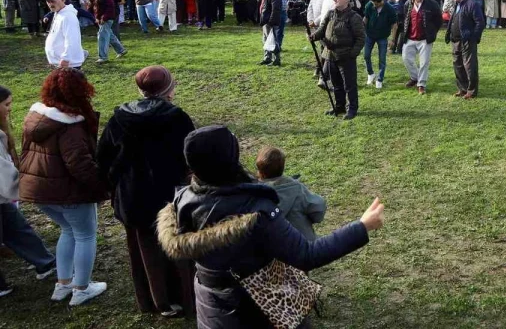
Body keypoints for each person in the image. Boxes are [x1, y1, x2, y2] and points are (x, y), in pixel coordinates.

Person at [156, 125, 384, 329]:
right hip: (252, 309)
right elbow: (307, 254)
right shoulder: (255, 213)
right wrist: (362, 226)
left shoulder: (183, 198)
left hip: (211, 304)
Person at [95, 66, 196, 317]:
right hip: (168, 196)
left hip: (133, 196)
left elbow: (104, 158)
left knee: (147, 248)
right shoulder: (176, 118)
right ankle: (179, 300)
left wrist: (115, 185)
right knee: (175, 246)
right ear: (168, 90)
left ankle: (158, 300)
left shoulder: (119, 118)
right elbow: (190, 156)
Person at [18, 69, 109, 305]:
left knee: (68, 231)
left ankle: (63, 284)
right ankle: (81, 289)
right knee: (85, 235)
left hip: (39, 191)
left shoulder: (36, 118)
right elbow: (79, 164)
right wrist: (102, 187)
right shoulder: (70, 126)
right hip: (67, 192)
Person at [0, 85, 58, 297]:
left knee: (16, 227)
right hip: (2, 191)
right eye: (6, 105)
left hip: (1, 198)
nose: (10, 109)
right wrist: (31, 186)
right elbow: (4, 175)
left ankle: (44, 262)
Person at [311, 0, 365, 119]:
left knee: (349, 85)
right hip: (330, 55)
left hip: (346, 56)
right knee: (336, 84)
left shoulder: (354, 17)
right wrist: (313, 36)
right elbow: (321, 30)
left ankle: (352, 108)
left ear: (346, 0)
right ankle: (339, 106)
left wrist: (353, 53)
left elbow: (361, 38)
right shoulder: (330, 14)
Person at [255, 146, 327, 241]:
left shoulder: (252, 193)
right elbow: (318, 210)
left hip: (270, 251)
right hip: (302, 246)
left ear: (259, 168)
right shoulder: (296, 188)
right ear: (282, 166)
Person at [398, 0, 443, 95]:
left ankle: (421, 84)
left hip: (425, 39)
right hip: (410, 38)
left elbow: (438, 20)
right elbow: (405, 20)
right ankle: (415, 77)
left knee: (424, 63)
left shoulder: (432, 4)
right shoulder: (408, 4)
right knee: (406, 58)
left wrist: (432, 32)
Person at [445, 0, 485, 99]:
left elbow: (480, 23)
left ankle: (471, 91)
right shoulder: (457, 4)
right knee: (458, 65)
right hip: (455, 40)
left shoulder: (472, 4)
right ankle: (462, 88)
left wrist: (473, 37)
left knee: (469, 66)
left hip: (467, 41)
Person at [362, 0, 398, 90]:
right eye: (373, 3)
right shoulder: (369, 5)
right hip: (369, 35)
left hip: (382, 36)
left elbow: (394, 25)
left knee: (382, 59)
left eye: (376, 3)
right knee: (366, 55)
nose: (374, 5)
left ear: (381, 1)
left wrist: (392, 39)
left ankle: (380, 79)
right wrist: (361, 28)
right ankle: (370, 74)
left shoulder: (390, 9)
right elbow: (366, 18)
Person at [44, 0, 85, 69]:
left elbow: (72, 39)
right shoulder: (58, 13)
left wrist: (66, 58)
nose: (50, 4)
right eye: (48, 2)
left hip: (68, 65)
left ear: (63, 0)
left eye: (53, 1)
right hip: (59, 63)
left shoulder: (68, 17)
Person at [87, 0, 127, 64]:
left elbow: (110, 7)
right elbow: (91, 7)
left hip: (108, 18)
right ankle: (121, 50)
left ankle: (103, 57)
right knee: (110, 35)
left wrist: (103, 18)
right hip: (99, 19)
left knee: (102, 36)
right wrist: (95, 18)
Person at [259, 0, 283, 67]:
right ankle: (267, 58)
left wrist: (271, 22)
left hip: (270, 21)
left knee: (273, 40)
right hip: (266, 20)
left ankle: (276, 59)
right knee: (266, 40)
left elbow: (275, 9)